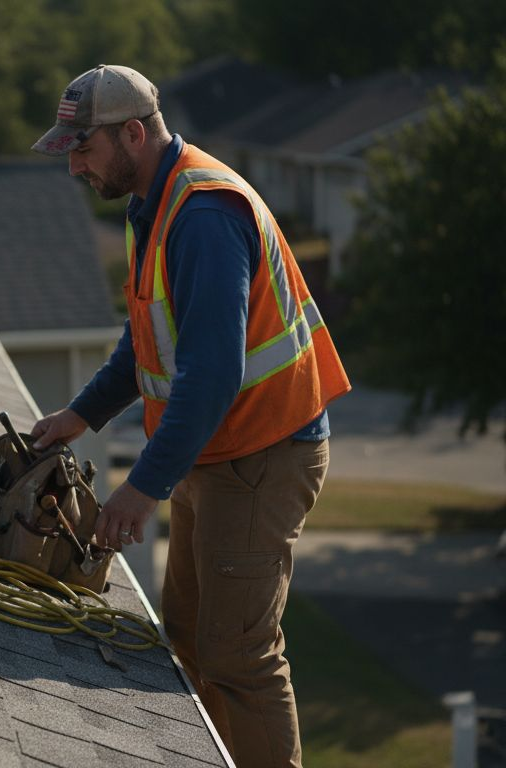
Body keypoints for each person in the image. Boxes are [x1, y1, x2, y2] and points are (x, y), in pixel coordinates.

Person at [28, 64, 351, 768]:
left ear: (133, 134)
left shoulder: (202, 214)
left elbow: (210, 376)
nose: (76, 166)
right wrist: (81, 415)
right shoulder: (157, 201)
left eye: (83, 149)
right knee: (189, 634)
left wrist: (142, 487)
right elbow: (147, 335)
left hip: (264, 454)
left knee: (237, 656)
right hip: (219, 452)